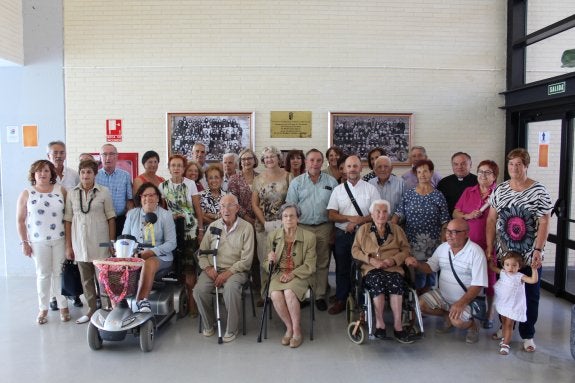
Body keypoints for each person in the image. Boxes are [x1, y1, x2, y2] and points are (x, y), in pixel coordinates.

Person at [486, 148, 552, 353]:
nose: (514, 168)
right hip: (504, 254)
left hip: (528, 254)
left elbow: (544, 221)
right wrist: (490, 247)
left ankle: (527, 334)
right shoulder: (501, 189)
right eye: (511, 164)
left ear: (526, 166)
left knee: (529, 295)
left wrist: (538, 250)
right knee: (505, 294)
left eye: (518, 164)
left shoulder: (538, 190)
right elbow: (491, 218)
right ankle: (504, 327)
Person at [405, 219, 487, 344]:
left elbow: (478, 285)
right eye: (447, 231)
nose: (448, 235)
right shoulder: (443, 248)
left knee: (458, 322)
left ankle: (473, 326)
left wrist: (460, 303)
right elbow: (430, 267)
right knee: (420, 305)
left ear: (466, 233)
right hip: (444, 295)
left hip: (467, 299)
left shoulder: (476, 252)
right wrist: (417, 264)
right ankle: (447, 315)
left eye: (454, 232)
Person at [194, 194, 255, 343]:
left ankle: (232, 328)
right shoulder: (213, 227)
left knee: (231, 289)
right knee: (199, 290)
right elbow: (201, 253)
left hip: (236, 270)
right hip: (213, 268)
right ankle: (210, 324)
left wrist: (228, 273)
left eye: (230, 205)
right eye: (222, 206)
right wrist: (208, 268)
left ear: (237, 208)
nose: (226, 209)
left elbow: (246, 260)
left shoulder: (246, 228)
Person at [351, 200, 414, 343]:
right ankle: (380, 324)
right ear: (372, 214)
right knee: (377, 284)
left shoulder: (397, 230)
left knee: (396, 284)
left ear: (389, 214)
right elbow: (355, 250)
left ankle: (398, 325)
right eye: (377, 212)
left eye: (385, 211)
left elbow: (406, 249)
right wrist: (370, 260)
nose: (381, 215)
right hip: (371, 268)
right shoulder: (364, 229)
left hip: (392, 267)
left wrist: (393, 260)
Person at [17, 160, 69, 324]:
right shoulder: (27, 193)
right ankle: (43, 309)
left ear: (51, 173)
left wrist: (69, 242)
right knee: (43, 275)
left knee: (59, 274)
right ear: (33, 174)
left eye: (46, 170)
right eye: (39, 171)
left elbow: (69, 217)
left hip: (59, 239)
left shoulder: (61, 190)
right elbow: (20, 220)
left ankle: (63, 306)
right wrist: (24, 242)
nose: (43, 174)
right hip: (38, 242)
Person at [64, 159, 116, 324]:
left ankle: (108, 308)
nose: (85, 175)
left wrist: (111, 242)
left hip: (100, 243)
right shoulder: (72, 193)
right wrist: (68, 245)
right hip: (80, 243)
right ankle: (91, 309)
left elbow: (111, 218)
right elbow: (68, 220)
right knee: (86, 280)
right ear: (79, 174)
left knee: (103, 279)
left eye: (89, 172)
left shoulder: (104, 192)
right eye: (82, 172)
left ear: (95, 174)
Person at [286, 149, 338, 311]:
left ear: (322, 162)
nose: (315, 163)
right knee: (302, 263)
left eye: (318, 160)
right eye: (311, 160)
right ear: (306, 162)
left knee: (322, 262)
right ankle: (303, 295)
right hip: (303, 227)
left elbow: (337, 207)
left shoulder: (331, 182)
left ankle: (320, 295)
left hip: (324, 227)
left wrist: (334, 231)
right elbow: (290, 207)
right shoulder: (297, 182)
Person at [326, 155, 379, 315]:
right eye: (349, 166)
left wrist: (358, 222)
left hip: (365, 236)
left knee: (365, 267)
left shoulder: (371, 189)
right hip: (343, 235)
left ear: (361, 168)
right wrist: (349, 218)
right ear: (344, 170)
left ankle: (363, 301)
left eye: (355, 166)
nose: (352, 169)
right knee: (342, 268)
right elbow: (332, 215)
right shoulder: (338, 190)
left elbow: (377, 213)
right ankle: (342, 299)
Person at [263, 203, 317, 348]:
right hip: (279, 273)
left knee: (289, 292)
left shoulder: (309, 237)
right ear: (281, 219)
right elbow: (266, 263)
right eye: (285, 216)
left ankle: (297, 331)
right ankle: (289, 328)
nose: (288, 219)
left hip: (300, 274)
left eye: (292, 216)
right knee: (274, 294)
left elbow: (310, 265)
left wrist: (292, 274)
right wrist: (270, 261)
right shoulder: (273, 236)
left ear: (298, 218)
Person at [453, 160, 499, 329]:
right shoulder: (468, 191)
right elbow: (456, 211)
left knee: (490, 280)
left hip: (489, 244)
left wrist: (490, 246)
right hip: (468, 244)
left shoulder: (498, 193)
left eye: (487, 172)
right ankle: (468, 311)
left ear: (494, 176)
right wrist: (468, 215)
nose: (483, 175)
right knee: (468, 278)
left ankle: (489, 313)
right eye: (480, 172)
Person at [393, 159, 449, 294]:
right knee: (417, 276)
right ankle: (416, 305)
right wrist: (390, 228)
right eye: (419, 172)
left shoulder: (438, 195)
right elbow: (399, 213)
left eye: (425, 171)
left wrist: (444, 241)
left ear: (431, 173)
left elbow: (445, 220)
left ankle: (427, 303)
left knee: (430, 275)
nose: (422, 174)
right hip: (413, 241)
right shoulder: (409, 194)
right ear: (416, 175)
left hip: (433, 241)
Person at [159, 154, 203, 316]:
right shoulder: (162, 186)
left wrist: (200, 230)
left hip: (190, 230)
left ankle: (193, 305)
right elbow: (163, 211)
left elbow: (198, 209)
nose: (176, 168)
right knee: (177, 268)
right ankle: (180, 302)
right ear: (169, 168)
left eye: (179, 166)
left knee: (190, 268)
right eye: (173, 165)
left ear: (184, 169)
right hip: (171, 230)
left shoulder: (190, 184)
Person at [123, 183, 177, 312]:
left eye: (152, 195)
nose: (148, 198)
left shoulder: (165, 215)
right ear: (140, 198)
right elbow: (125, 238)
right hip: (135, 255)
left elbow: (171, 243)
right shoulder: (132, 214)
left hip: (161, 256)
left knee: (149, 262)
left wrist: (152, 252)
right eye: (145, 195)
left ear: (158, 198)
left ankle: (142, 302)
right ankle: (117, 304)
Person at [252, 146, 291, 304]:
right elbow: (255, 204)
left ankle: (281, 292)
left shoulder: (289, 176)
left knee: (282, 259)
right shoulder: (258, 179)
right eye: (266, 157)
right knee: (265, 260)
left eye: (272, 156)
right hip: (264, 226)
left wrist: (284, 222)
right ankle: (265, 293)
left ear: (278, 158)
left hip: (284, 226)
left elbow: (291, 201)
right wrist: (265, 223)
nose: (269, 159)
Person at [46, 141, 82, 310]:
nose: (58, 156)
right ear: (48, 156)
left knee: (70, 260)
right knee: (53, 265)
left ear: (66, 154)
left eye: (61, 152)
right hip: (50, 227)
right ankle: (54, 297)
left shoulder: (74, 175)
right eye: (55, 153)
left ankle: (73, 293)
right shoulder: (44, 176)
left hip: (70, 223)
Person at [490, 252, 539, 355]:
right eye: (507, 265)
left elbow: (533, 280)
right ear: (503, 265)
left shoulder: (519, 276)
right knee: (503, 323)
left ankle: (506, 344)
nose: (510, 268)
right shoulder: (503, 272)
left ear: (519, 266)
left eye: (514, 265)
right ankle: (504, 338)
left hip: (513, 305)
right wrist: (490, 258)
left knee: (509, 324)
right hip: (503, 303)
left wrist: (534, 270)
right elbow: (493, 268)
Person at [95, 144, 133, 237]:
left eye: (111, 154)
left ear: (116, 156)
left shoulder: (125, 176)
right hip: (100, 221)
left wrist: (130, 216)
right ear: (100, 157)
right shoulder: (94, 176)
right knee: (102, 249)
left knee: (120, 249)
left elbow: (130, 199)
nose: (108, 157)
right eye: (104, 154)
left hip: (120, 220)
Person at [228, 148, 259, 225]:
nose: (246, 161)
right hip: (241, 221)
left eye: (249, 158)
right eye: (243, 159)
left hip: (260, 219)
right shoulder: (234, 179)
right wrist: (248, 219)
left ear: (254, 160)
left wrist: (259, 218)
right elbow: (233, 202)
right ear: (240, 162)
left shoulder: (261, 177)